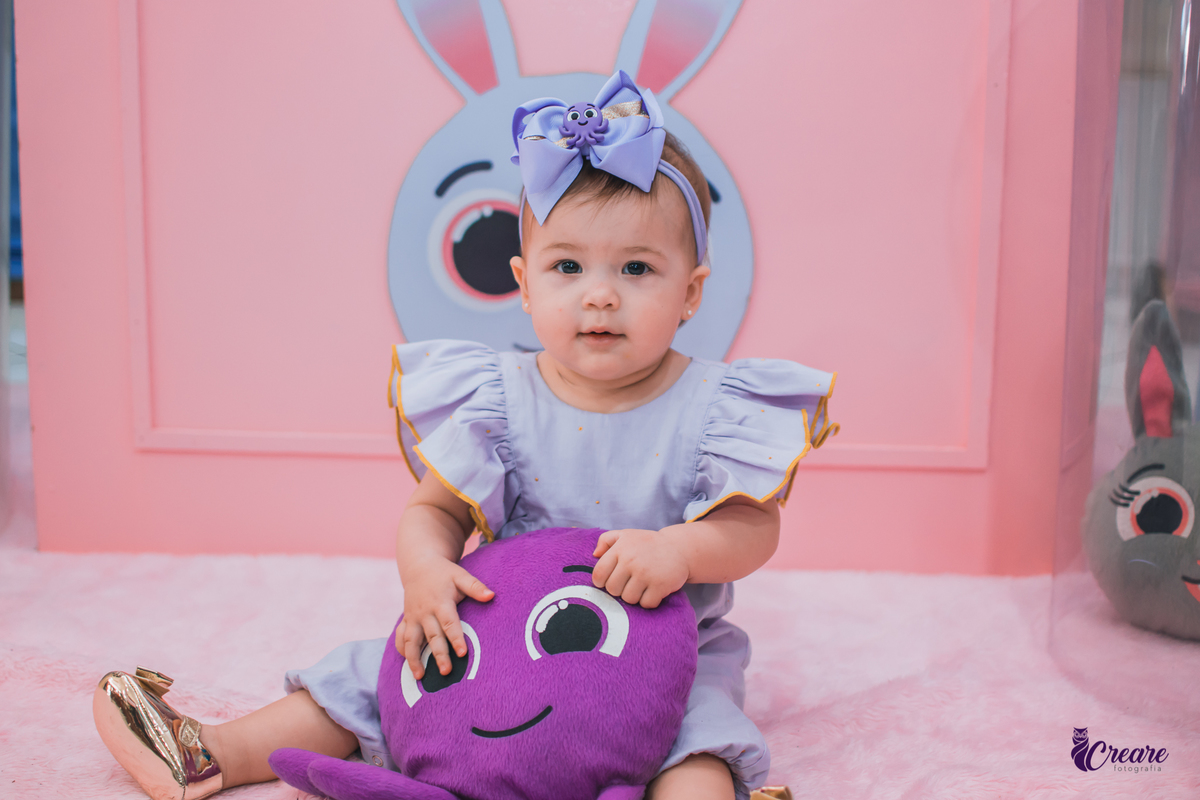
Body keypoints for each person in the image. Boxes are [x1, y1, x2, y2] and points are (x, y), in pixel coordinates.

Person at [93, 70, 837, 800]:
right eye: (567, 266)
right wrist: (425, 574)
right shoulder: (498, 400)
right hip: (507, 638)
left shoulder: (715, 407)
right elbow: (434, 511)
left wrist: (681, 550)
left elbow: (752, 527)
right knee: (378, 672)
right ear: (524, 281)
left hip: (659, 643)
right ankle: (210, 753)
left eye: (637, 268)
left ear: (691, 292)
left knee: (699, 733)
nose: (600, 293)